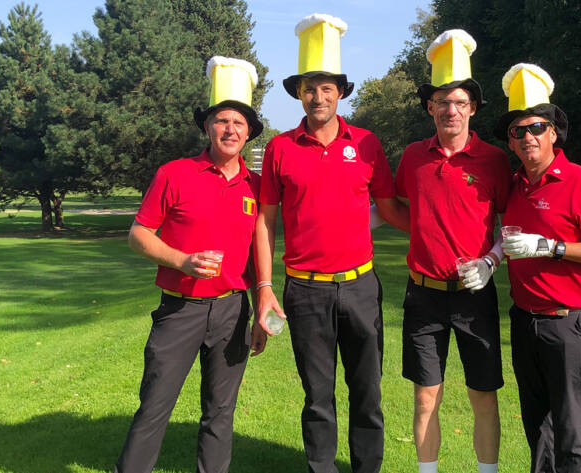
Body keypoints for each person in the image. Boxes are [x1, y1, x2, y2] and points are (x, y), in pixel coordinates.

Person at [254, 14, 408, 473]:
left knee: (368, 394)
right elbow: (265, 221)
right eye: (309, 88)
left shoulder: (367, 143)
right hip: (305, 291)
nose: (317, 96)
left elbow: (391, 210)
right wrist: (264, 287)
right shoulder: (280, 148)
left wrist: (441, 234)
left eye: (326, 88)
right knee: (317, 397)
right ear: (299, 93)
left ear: (340, 92)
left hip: (360, 287)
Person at [113, 56, 267, 473]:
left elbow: (258, 256)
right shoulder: (175, 174)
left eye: (239, 123)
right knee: (154, 406)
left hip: (233, 311)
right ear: (207, 127)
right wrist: (181, 260)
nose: (230, 129)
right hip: (180, 310)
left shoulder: (256, 186)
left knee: (220, 412)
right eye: (222, 121)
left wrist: (261, 312)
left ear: (249, 132)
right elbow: (138, 234)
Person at [495, 64, 581, 473]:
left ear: (554, 132)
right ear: (511, 141)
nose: (527, 137)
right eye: (518, 130)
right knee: (538, 430)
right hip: (524, 320)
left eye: (537, 127)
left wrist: (553, 248)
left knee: (571, 432)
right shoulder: (514, 184)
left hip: (570, 322)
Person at [394, 30, 510, 473]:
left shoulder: (495, 160)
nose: (451, 110)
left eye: (460, 102)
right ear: (430, 107)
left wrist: (492, 260)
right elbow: (398, 208)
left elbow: (512, 225)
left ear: (473, 108)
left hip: (475, 295)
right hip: (422, 294)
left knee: (483, 395)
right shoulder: (413, 157)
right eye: (442, 101)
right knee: (426, 396)